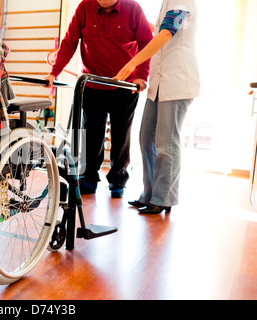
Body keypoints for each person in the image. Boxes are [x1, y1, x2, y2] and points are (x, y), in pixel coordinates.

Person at [44, 0, 153, 198]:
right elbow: (69, 42)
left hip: (125, 86)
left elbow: (147, 42)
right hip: (92, 84)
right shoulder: (85, 8)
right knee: (92, 135)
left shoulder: (133, 8)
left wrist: (141, 76)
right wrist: (54, 73)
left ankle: (118, 180)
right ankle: (89, 178)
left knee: (121, 135)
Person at [114, 0, 200, 213]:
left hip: (178, 82)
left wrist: (133, 62)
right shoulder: (165, 3)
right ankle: (150, 193)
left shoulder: (182, 1)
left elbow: (166, 33)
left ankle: (163, 198)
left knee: (166, 143)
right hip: (160, 84)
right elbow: (156, 33)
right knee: (146, 138)